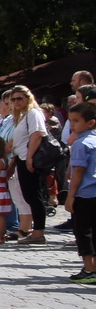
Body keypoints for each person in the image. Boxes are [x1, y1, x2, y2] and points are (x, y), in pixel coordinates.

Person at [9, 86, 50, 244]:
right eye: (14, 99)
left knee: (34, 195)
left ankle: (39, 231)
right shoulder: (22, 116)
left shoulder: (33, 113)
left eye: (20, 98)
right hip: (21, 157)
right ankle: (34, 229)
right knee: (28, 195)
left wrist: (30, 157)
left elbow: (37, 134)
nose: (16, 101)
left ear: (28, 97)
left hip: (30, 158)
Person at [66, 101, 96, 283]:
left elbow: (78, 171)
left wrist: (70, 196)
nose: (72, 125)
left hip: (84, 194)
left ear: (91, 122)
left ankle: (89, 268)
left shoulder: (81, 143)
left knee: (83, 232)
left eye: (76, 121)